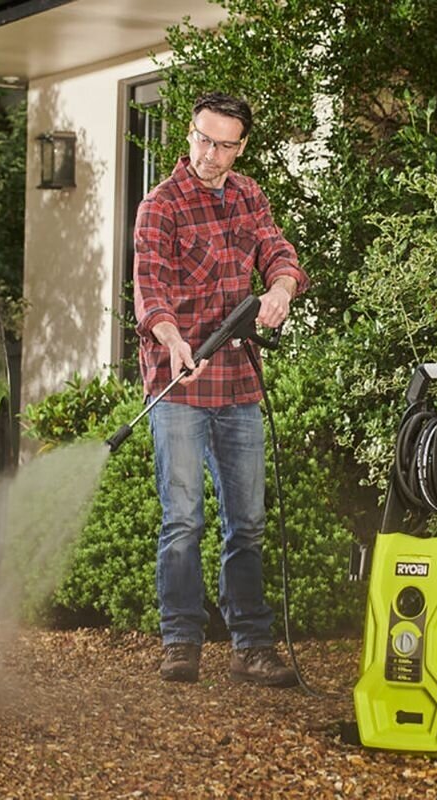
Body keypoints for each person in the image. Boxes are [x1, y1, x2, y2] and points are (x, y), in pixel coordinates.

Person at [132, 92, 308, 686]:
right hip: (178, 381)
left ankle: (250, 646)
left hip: (238, 382)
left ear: (241, 147)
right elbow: (150, 289)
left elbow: (278, 252)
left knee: (248, 522)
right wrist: (172, 340)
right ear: (190, 134)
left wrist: (281, 288)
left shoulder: (249, 196)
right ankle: (181, 640)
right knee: (183, 519)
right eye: (203, 140)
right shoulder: (160, 205)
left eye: (224, 145)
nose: (210, 154)